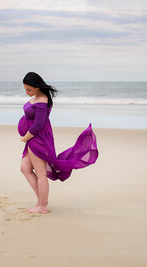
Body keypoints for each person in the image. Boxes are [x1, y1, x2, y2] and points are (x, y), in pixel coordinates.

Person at [18, 72, 99, 214]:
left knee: (41, 173)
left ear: (37, 87)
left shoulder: (42, 100)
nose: (26, 92)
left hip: (38, 139)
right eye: (25, 89)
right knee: (25, 168)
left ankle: (42, 206)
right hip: (33, 138)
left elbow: (38, 125)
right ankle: (41, 201)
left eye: (29, 89)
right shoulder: (37, 97)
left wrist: (25, 137)